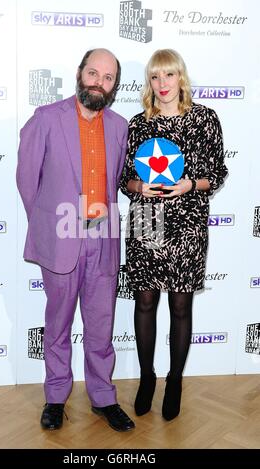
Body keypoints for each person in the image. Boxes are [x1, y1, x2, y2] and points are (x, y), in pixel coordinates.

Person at [17, 48, 135, 432]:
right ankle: (55, 397)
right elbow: (27, 181)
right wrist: (52, 224)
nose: (99, 82)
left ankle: (103, 397)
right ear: (79, 73)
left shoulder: (119, 127)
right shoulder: (46, 119)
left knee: (101, 325)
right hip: (62, 238)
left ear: (114, 86)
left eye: (108, 78)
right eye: (93, 73)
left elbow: (118, 180)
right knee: (58, 323)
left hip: (104, 238)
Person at [120, 49, 228, 421]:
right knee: (145, 301)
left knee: (181, 306)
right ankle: (147, 377)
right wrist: (138, 185)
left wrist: (190, 185)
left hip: (189, 221)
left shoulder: (205, 119)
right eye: (155, 77)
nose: (162, 84)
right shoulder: (138, 124)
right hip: (146, 219)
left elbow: (218, 173)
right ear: (149, 83)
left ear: (180, 77)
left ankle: (176, 380)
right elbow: (123, 179)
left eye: (168, 76)